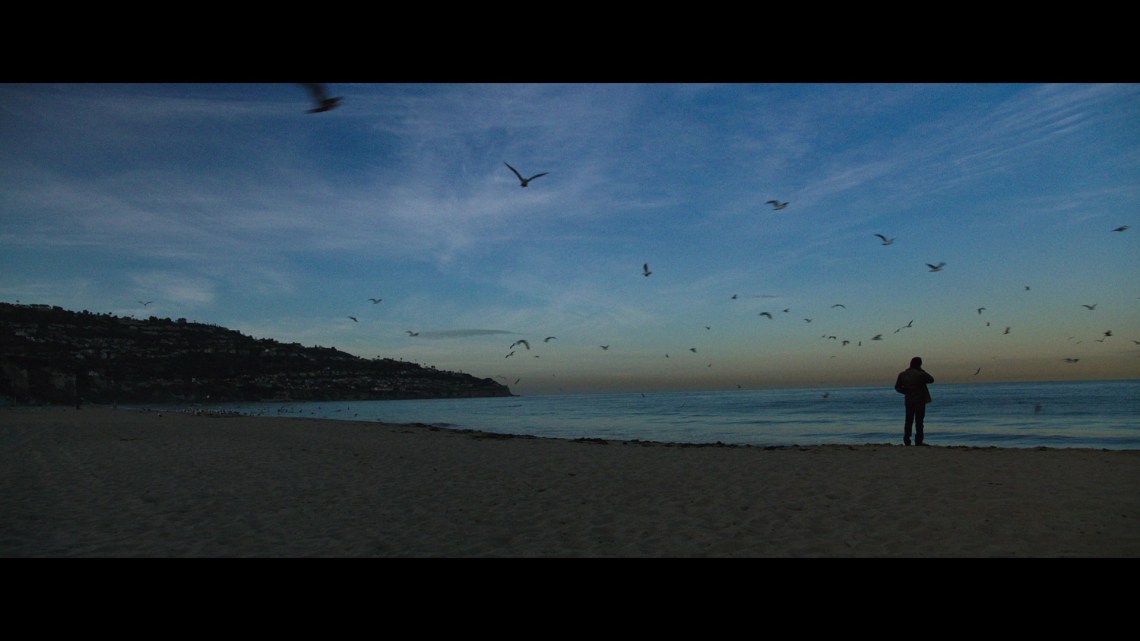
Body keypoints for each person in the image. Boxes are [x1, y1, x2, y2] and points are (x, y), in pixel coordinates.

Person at [894, 356, 934, 446]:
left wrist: (906, 392)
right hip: (920, 399)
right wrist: (922, 371)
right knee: (919, 421)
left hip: (908, 399)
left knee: (908, 421)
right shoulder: (920, 374)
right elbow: (931, 379)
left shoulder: (903, 374)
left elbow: (897, 387)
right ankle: (918, 441)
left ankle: (907, 440)